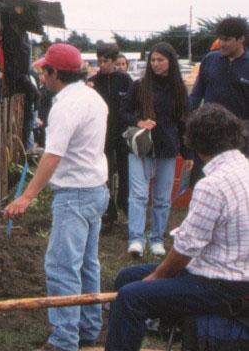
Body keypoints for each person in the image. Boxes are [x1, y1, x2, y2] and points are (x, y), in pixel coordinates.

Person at [69, 104, 249, 351]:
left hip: (226, 286)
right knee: (127, 276)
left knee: (131, 296)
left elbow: (185, 250)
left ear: (194, 142)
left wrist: (158, 277)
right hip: (228, 273)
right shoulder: (242, 168)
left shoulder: (212, 184)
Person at [4, 43, 109, 351]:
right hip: (95, 188)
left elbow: (52, 156)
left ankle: (65, 336)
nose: (41, 75)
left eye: (44, 70)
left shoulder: (65, 106)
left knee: (62, 264)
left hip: (76, 193)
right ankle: (89, 327)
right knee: (87, 263)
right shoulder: (92, 96)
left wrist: (26, 196)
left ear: (55, 73)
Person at [120, 42, 190, 258]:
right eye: (153, 60)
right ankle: (136, 239)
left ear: (170, 62)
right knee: (138, 195)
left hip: (168, 148)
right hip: (141, 147)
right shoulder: (139, 85)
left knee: (162, 198)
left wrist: (188, 154)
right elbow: (123, 112)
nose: (156, 64)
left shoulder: (179, 88)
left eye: (161, 60)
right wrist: (138, 121)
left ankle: (157, 238)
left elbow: (184, 123)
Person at [189, 17, 249, 155]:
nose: (222, 43)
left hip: (240, 137)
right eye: (220, 39)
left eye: (227, 39)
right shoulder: (209, 59)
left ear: (241, 39)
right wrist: (188, 118)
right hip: (209, 135)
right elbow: (196, 95)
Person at [89, 43, 133, 227]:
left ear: (114, 61)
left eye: (106, 61)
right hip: (102, 134)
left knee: (125, 172)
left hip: (122, 134)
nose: (102, 64)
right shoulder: (93, 81)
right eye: (99, 61)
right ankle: (108, 210)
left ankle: (125, 203)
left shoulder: (125, 80)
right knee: (103, 172)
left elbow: (132, 104)